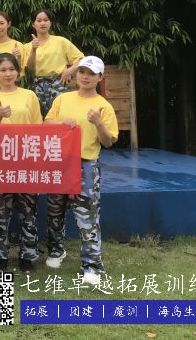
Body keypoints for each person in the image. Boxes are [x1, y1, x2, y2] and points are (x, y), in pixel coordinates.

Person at [44, 55, 118, 286]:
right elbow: (46, 123)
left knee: (87, 216)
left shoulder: (104, 107)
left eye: (91, 74)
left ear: (100, 78)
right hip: (59, 162)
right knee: (54, 211)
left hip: (86, 165)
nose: (85, 77)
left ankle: (92, 265)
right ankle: (56, 250)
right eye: (82, 72)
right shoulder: (62, 99)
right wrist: (61, 124)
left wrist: (98, 123)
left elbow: (108, 142)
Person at [0, 53, 42, 273]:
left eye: (11, 69)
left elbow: (38, 127)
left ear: (18, 71)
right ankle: (0, 256)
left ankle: (28, 257)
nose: (8, 74)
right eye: (3, 70)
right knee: (0, 212)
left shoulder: (29, 96)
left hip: (26, 160)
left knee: (28, 211)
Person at [24, 8, 84, 116]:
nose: (43, 23)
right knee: (40, 117)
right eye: (39, 20)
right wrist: (33, 49)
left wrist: (69, 71)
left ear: (50, 22)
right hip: (38, 85)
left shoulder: (61, 41)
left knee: (61, 114)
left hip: (58, 83)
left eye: (46, 20)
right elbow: (31, 67)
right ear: (33, 24)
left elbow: (81, 59)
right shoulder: (27, 46)